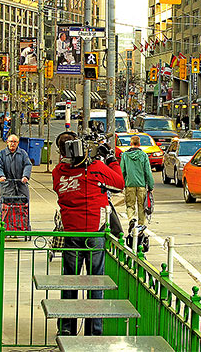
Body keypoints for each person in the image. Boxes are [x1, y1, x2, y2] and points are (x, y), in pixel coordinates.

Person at [52, 131, 125, 336]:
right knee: (95, 282)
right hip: (94, 231)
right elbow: (119, 183)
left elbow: (61, 189)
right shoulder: (95, 168)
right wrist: (110, 159)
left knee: (70, 282)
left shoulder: (58, 172)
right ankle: (94, 331)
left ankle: (66, 329)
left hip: (70, 233)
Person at [120, 136, 154, 227]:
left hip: (129, 184)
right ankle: (141, 225)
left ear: (130, 144)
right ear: (139, 144)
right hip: (141, 185)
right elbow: (147, 172)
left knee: (130, 205)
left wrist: (121, 184)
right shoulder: (143, 155)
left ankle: (131, 219)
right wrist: (150, 186)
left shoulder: (125, 155)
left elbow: (122, 171)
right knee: (142, 206)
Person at [0, 134, 32, 207]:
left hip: (20, 184)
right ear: (7, 142)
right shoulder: (2, 154)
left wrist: (25, 176)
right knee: (5, 206)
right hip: (6, 185)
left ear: (18, 143)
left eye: (15, 142)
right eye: (11, 141)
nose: (13, 144)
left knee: (23, 206)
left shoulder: (23, 153)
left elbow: (28, 165)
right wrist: (1, 176)